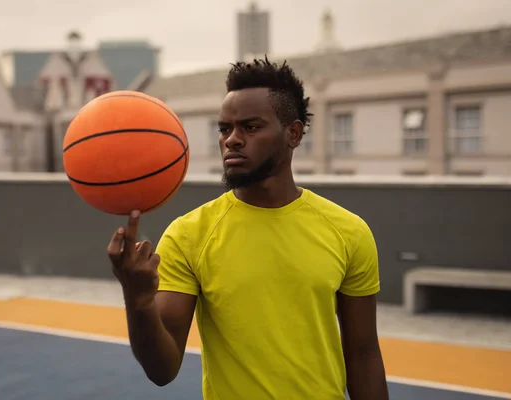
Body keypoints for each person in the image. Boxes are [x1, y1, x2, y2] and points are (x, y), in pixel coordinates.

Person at [107, 57, 389, 399]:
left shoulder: (348, 231)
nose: (232, 140)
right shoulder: (189, 235)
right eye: (225, 129)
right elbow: (162, 370)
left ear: (293, 134)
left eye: (250, 127)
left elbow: (363, 355)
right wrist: (138, 301)